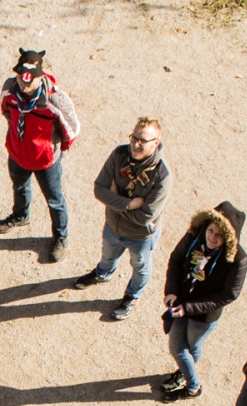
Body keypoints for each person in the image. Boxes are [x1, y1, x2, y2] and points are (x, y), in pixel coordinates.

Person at [72, 117, 173, 320]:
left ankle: (132, 296)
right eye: (134, 138)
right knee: (108, 255)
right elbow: (99, 189)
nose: (136, 144)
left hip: (140, 236)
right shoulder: (119, 155)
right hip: (112, 226)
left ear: (156, 142)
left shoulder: (162, 176)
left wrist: (114, 199)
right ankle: (103, 274)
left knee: (140, 267)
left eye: (143, 141)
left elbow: (145, 217)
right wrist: (128, 204)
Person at [0, 49, 80, 262]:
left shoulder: (55, 100)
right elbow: (6, 111)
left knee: (54, 200)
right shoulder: (9, 90)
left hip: (45, 160)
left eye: (30, 80)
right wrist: (15, 134)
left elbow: (71, 129)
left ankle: (61, 236)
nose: (24, 84)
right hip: (17, 153)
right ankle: (21, 215)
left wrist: (55, 148)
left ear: (41, 76)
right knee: (19, 187)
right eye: (21, 77)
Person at [156, 202, 247, 401]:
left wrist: (188, 308)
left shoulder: (239, 259)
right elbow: (176, 259)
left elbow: (228, 294)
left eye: (219, 235)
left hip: (203, 316)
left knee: (192, 347)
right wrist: (171, 291)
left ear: (228, 238)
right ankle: (190, 381)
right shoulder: (194, 235)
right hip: (181, 302)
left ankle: (191, 385)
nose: (212, 238)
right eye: (210, 230)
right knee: (177, 348)